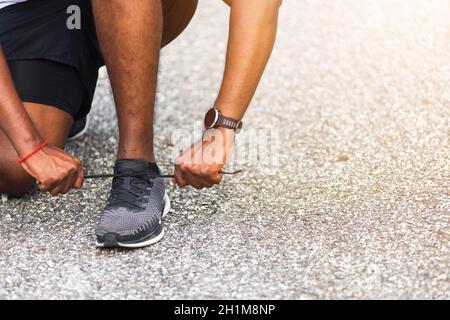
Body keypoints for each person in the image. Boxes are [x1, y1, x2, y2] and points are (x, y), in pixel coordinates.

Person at [0, 0, 282, 248]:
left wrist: (223, 127)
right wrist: (31, 146)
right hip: (30, 12)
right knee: (14, 168)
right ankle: (67, 95)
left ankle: (137, 167)